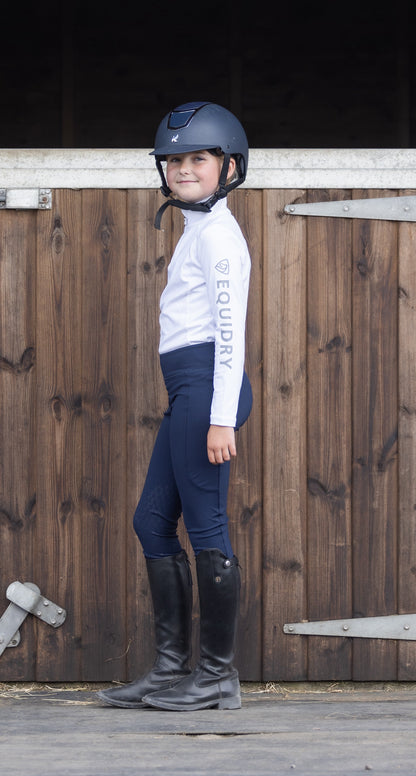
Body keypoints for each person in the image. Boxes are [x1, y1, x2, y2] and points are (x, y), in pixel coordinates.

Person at [97, 101, 252, 711]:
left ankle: (216, 676)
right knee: (152, 521)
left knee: (206, 525)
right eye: (174, 159)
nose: (183, 169)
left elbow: (230, 334)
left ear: (228, 166)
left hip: (207, 386)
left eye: (199, 158)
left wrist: (221, 417)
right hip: (187, 387)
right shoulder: (195, 230)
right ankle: (169, 670)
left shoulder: (219, 237)